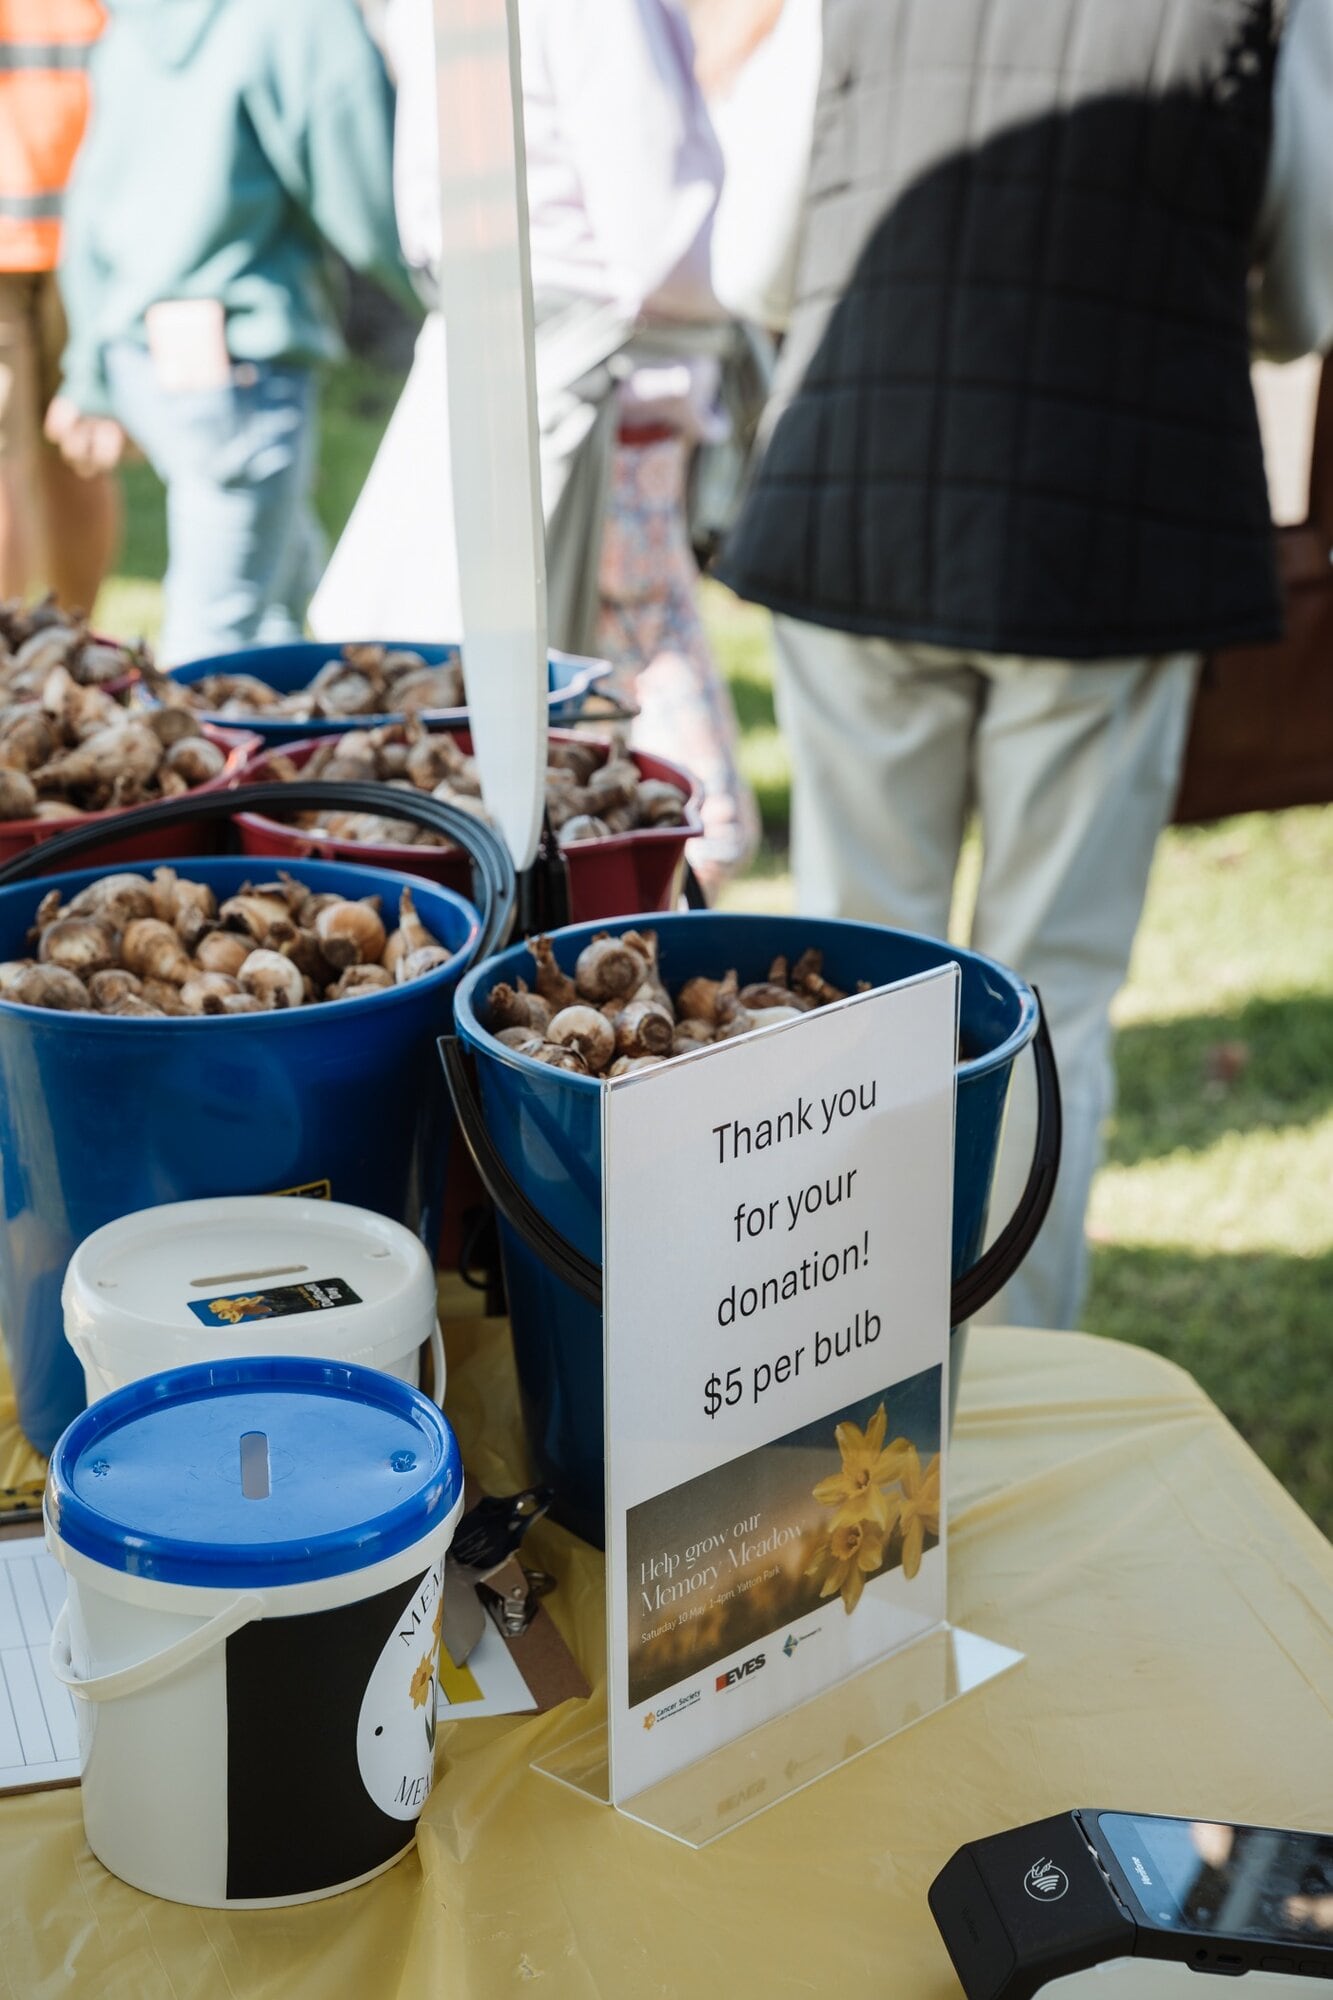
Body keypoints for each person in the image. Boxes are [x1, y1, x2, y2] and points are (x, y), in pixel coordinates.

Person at [717, 0, 1302, 1331]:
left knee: (855, 976)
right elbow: (1311, 284)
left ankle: (838, 1349)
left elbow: (756, 256)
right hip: (1108, 522)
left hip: (862, 495)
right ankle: (1022, 1372)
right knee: (1055, 997)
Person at [315, 0, 759, 896]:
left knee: (546, 683)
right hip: (592, 381)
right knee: (612, 687)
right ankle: (669, 868)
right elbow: (657, 226)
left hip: (523, 358)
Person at [46, 0, 418, 665]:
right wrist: (436, 287)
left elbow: (91, 202)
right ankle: (191, 767)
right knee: (215, 631)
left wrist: (92, 372)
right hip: (239, 366)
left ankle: (289, 760)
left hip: (146, 352)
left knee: (281, 601)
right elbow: (362, 183)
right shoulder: (299, 17)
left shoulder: (142, 20)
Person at [0, 0, 118, 613]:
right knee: (62, 451)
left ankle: (51, 665)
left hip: (80, 224)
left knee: (67, 453)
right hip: (76, 217)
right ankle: (37, 668)